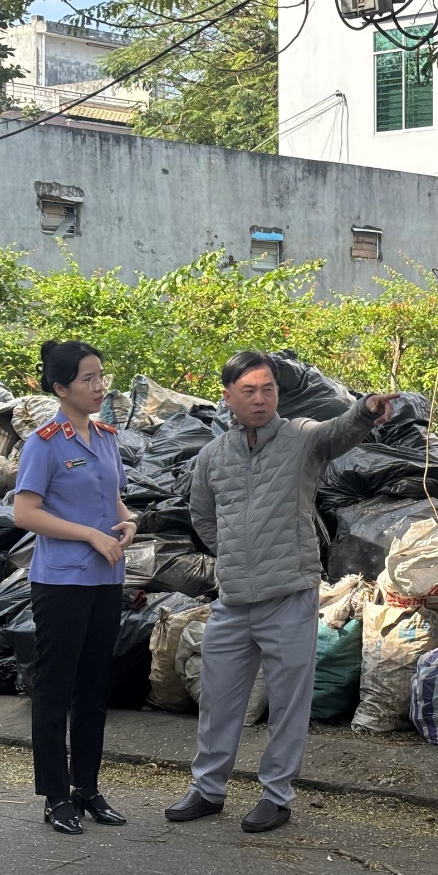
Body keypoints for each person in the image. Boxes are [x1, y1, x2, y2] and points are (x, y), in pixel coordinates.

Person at [166, 351, 398, 833]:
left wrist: (365, 410)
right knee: (218, 699)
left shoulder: (299, 438)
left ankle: (276, 795)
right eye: (248, 390)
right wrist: (234, 554)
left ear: (278, 393)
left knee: (290, 704)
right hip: (232, 601)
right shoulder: (212, 456)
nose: (259, 398)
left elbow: (337, 433)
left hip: (290, 594)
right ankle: (208, 789)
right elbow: (203, 518)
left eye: (267, 388)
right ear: (228, 396)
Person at [13, 340, 137, 836]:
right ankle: (56, 795)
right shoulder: (44, 442)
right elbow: (25, 512)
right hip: (61, 581)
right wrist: (87, 534)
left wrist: (128, 524)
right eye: (88, 379)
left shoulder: (106, 437)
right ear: (61, 387)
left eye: (102, 376)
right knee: (56, 687)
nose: (99, 386)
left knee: (93, 688)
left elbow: (114, 501)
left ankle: (87, 788)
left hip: (106, 578)